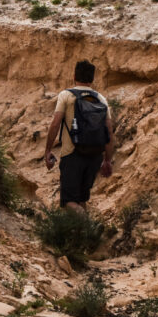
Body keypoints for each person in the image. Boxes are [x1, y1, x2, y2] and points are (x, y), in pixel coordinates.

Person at [44, 59, 113, 211]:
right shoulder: (101, 99)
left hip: (72, 154)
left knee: (69, 202)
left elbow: (55, 124)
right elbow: (108, 131)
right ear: (92, 79)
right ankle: (85, 233)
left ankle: (89, 228)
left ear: (74, 76)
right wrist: (107, 159)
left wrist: (48, 150)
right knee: (82, 200)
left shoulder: (66, 95)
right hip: (94, 156)